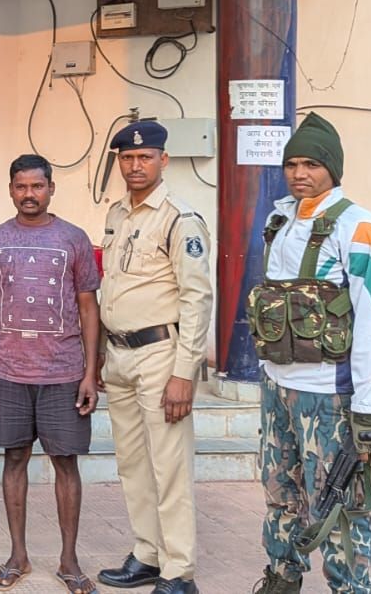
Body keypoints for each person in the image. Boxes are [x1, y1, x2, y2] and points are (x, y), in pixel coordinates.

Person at [250, 114, 371, 594]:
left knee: (338, 504)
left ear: (333, 168)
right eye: (292, 164)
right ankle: (282, 578)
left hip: (330, 395)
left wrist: (369, 404)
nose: (299, 174)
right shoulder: (279, 221)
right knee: (279, 492)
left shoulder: (359, 227)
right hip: (279, 386)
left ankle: (349, 588)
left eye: (311, 164)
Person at [0, 154, 102, 594]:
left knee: (66, 463)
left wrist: (90, 372)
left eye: (37, 186)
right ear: (11, 189)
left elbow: (89, 308)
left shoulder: (74, 239)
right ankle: (18, 556)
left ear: (51, 189)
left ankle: (69, 560)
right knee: (14, 459)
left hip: (64, 373)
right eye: (21, 186)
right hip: (8, 371)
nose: (30, 194)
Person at [96, 121, 213, 594]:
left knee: (170, 466)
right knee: (133, 464)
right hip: (120, 354)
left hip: (161, 356)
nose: (135, 165)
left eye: (145, 157)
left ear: (164, 160)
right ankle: (147, 554)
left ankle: (178, 570)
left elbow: (197, 299)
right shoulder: (117, 214)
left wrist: (185, 373)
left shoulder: (180, 219)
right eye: (127, 158)